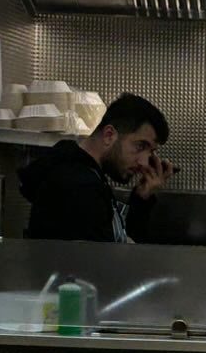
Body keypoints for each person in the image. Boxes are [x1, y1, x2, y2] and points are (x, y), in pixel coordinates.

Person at [18, 93, 174, 243]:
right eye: (140, 146)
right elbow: (102, 264)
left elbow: (118, 243)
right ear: (108, 135)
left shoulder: (90, 176)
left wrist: (142, 199)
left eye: (151, 152)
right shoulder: (78, 186)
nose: (144, 163)